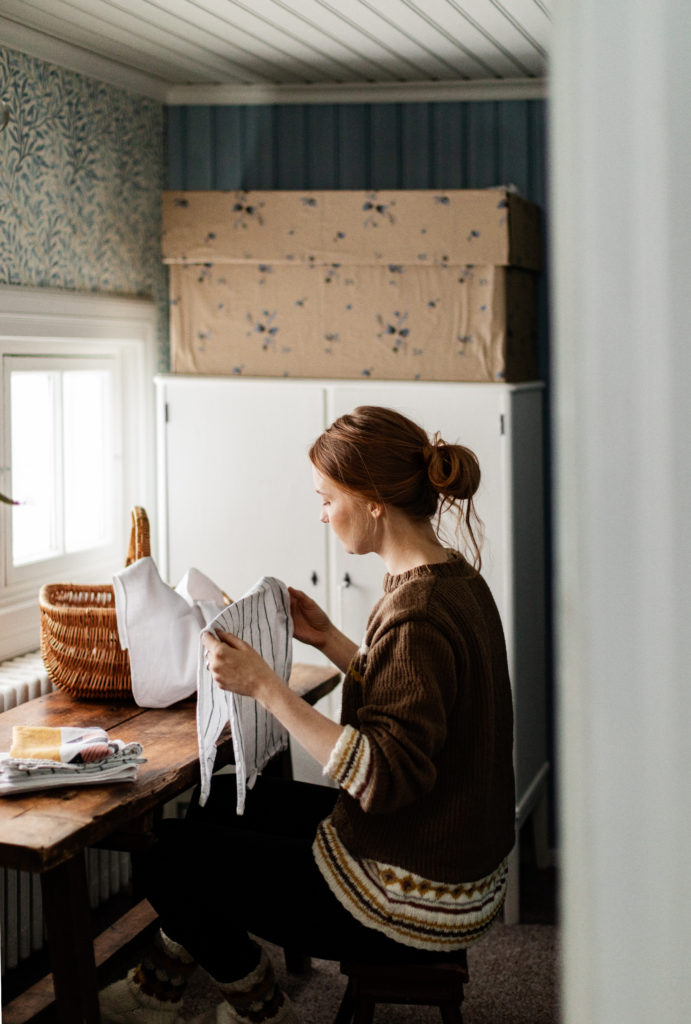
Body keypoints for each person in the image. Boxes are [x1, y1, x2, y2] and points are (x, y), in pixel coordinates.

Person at [99, 405, 515, 1024]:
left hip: (415, 895)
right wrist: (332, 642)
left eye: (326, 498)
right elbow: (420, 702)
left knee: (169, 860)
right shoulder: (449, 579)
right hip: (446, 855)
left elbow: (382, 776)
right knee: (222, 806)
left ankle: (259, 1005)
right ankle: (157, 990)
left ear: (371, 499)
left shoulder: (417, 611)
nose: (321, 513)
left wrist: (267, 687)